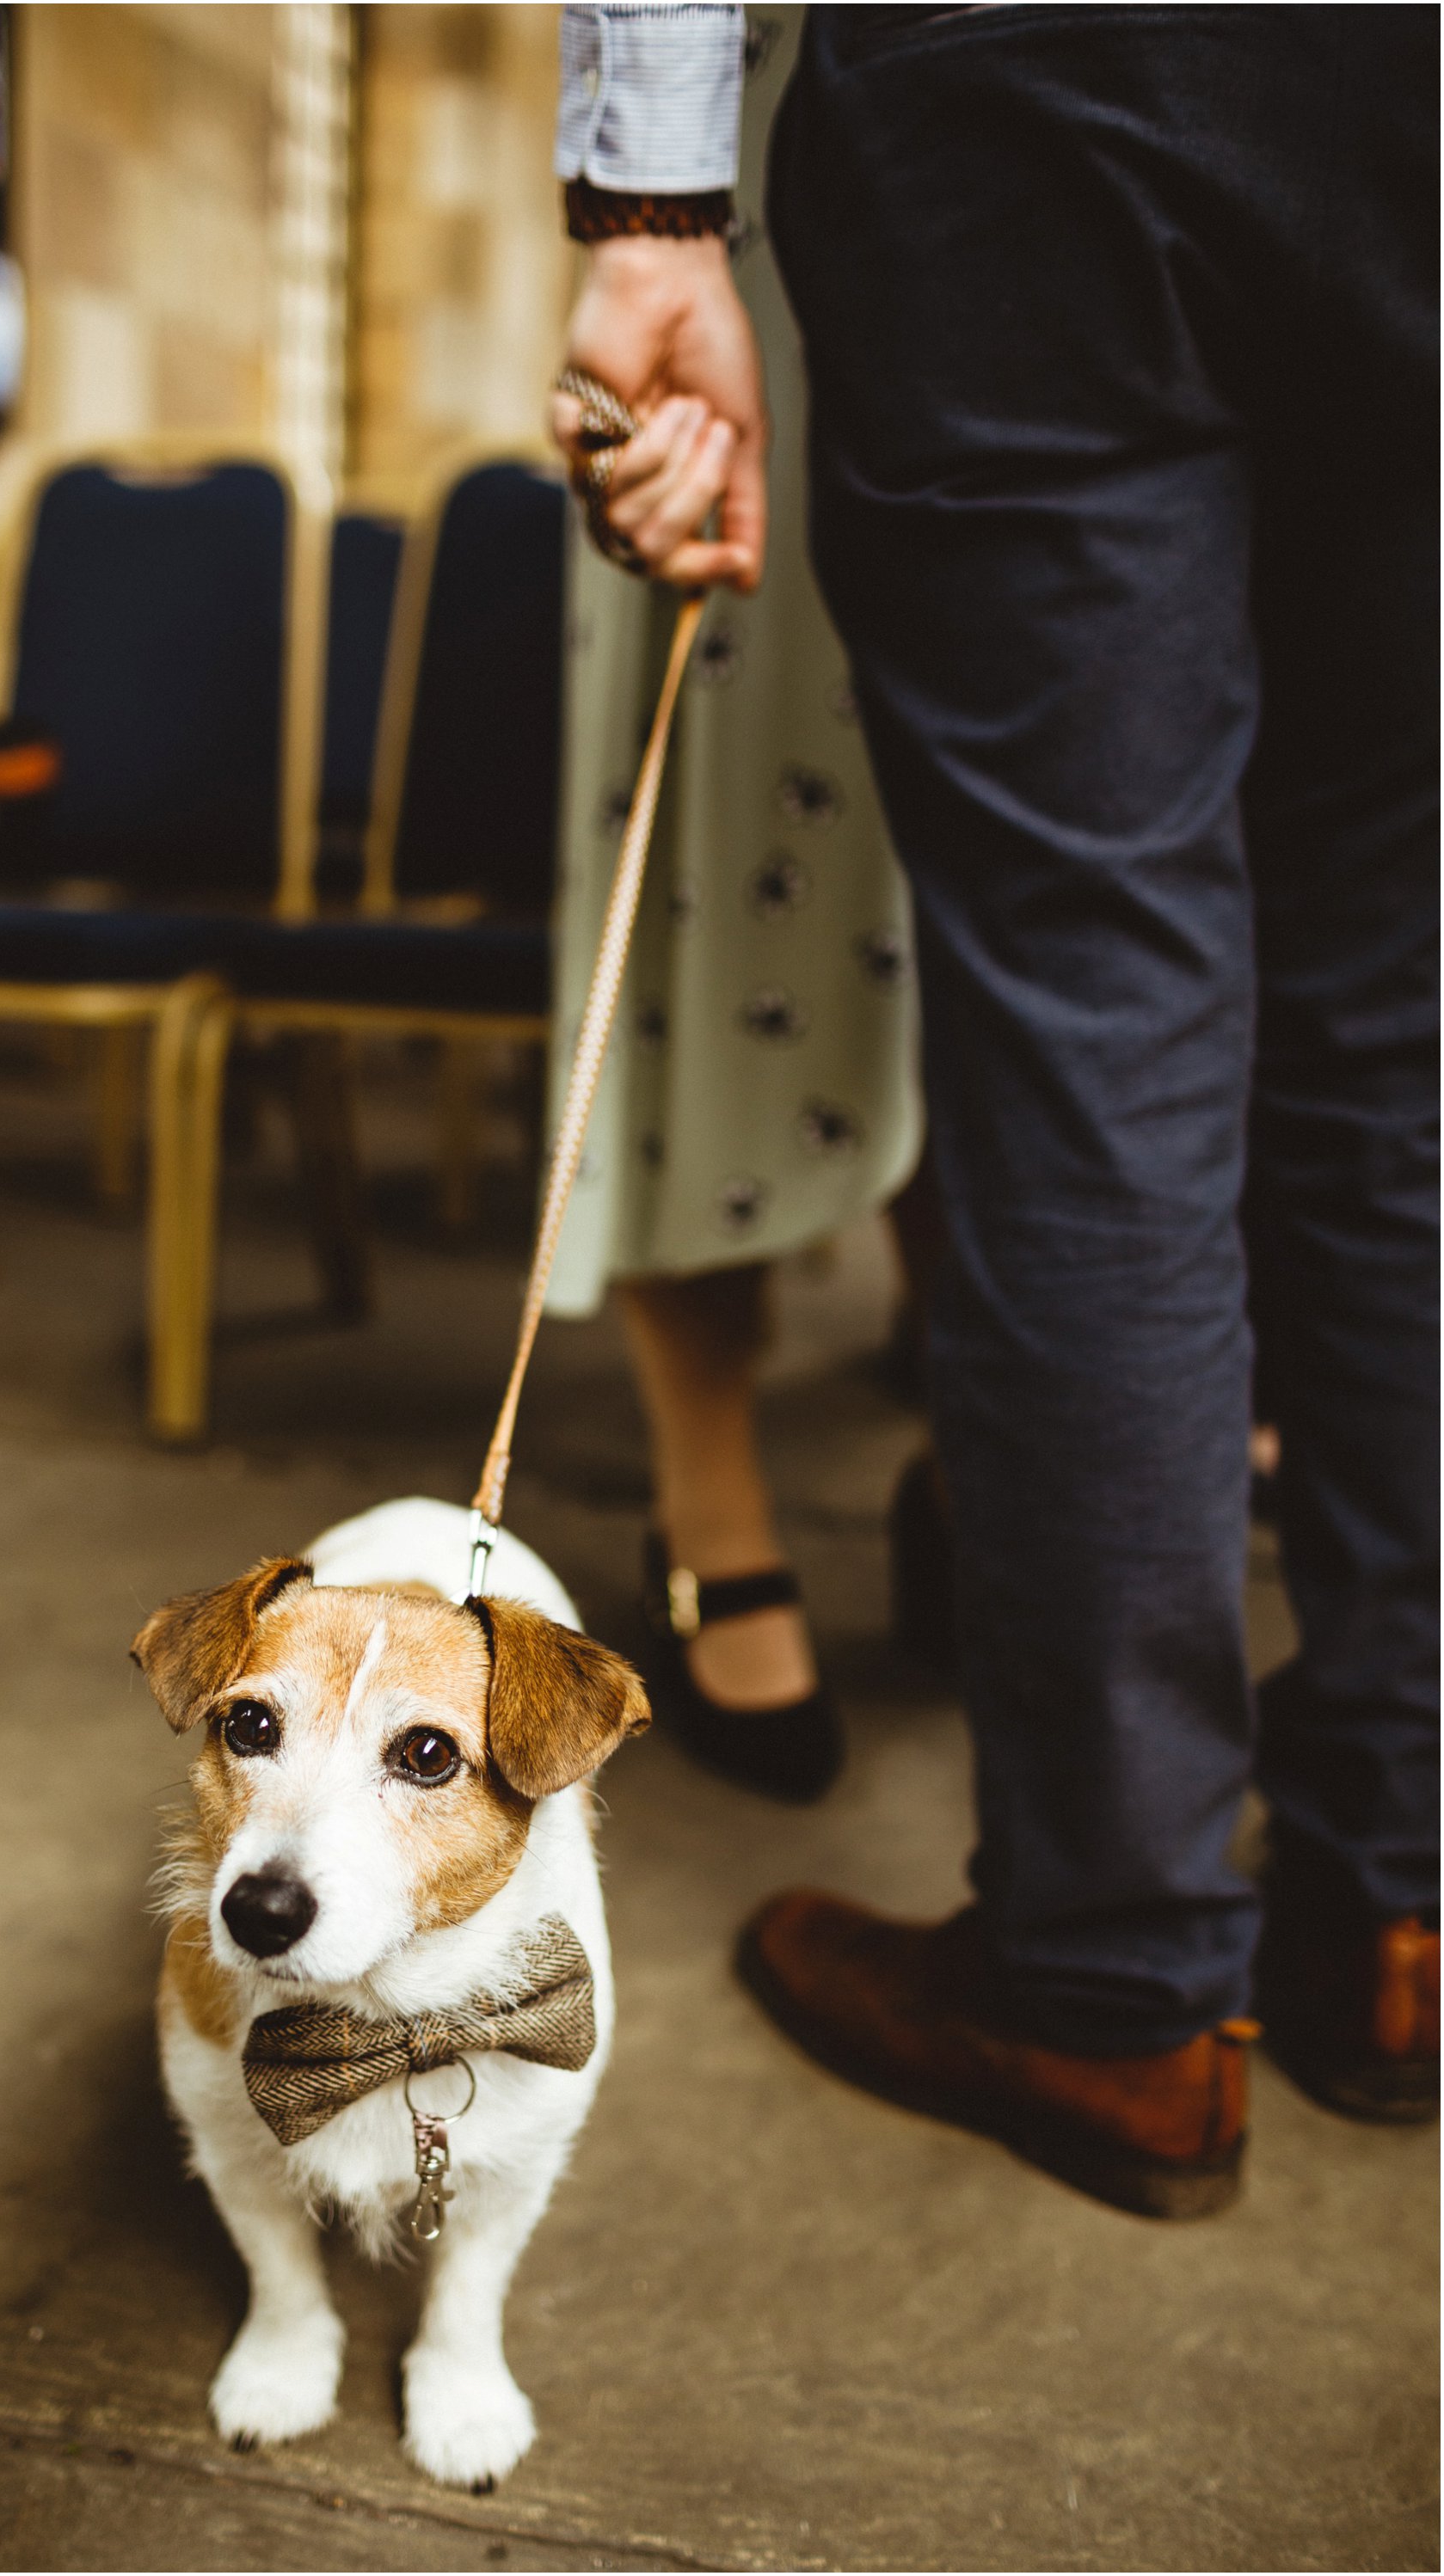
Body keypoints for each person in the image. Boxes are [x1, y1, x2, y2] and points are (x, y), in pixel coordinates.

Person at [550, 1, 1439, 2217]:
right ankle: (1401, 1908)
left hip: (1035, 85)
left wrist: (654, 211)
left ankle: (1113, 1986)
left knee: (1090, 1038)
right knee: (1400, 1043)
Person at [547, 3, 921, 1805]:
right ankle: (708, 1477)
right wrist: (654, 207)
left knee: (1032, 900)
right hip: (771, 158)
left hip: (1098, 168)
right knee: (724, 845)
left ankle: (1004, 1440)